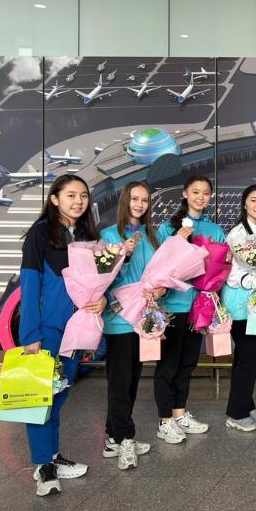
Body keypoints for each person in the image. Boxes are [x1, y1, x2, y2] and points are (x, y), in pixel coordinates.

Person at [19, 174, 104, 496]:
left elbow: (99, 282)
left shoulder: (87, 236)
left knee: (60, 394)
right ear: (54, 199)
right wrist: (31, 334)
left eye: (83, 195)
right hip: (49, 329)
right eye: (70, 195)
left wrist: (103, 300)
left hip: (77, 328)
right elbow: (30, 284)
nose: (78, 201)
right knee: (41, 397)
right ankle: (43, 465)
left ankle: (52, 456)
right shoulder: (40, 234)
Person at [155, 175, 225, 444]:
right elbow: (158, 265)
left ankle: (180, 413)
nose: (200, 197)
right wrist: (176, 242)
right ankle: (165, 421)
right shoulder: (167, 228)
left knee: (187, 363)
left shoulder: (214, 229)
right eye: (195, 192)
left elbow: (219, 267)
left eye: (206, 193)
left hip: (200, 308)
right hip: (173, 305)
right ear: (185, 193)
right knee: (168, 364)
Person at [100, 182, 164, 469]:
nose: (139, 204)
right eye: (134, 199)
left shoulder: (151, 235)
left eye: (145, 200)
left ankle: (113, 436)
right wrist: (121, 256)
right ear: (125, 201)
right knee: (120, 380)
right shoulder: (109, 235)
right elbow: (101, 278)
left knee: (132, 379)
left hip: (144, 318)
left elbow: (160, 272)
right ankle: (126, 438)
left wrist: (161, 289)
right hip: (120, 318)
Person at [220, 185, 256, 432]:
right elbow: (233, 275)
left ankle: (246, 404)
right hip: (239, 301)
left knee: (245, 356)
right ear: (244, 203)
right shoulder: (236, 235)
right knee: (248, 357)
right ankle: (236, 413)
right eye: (253, 200)